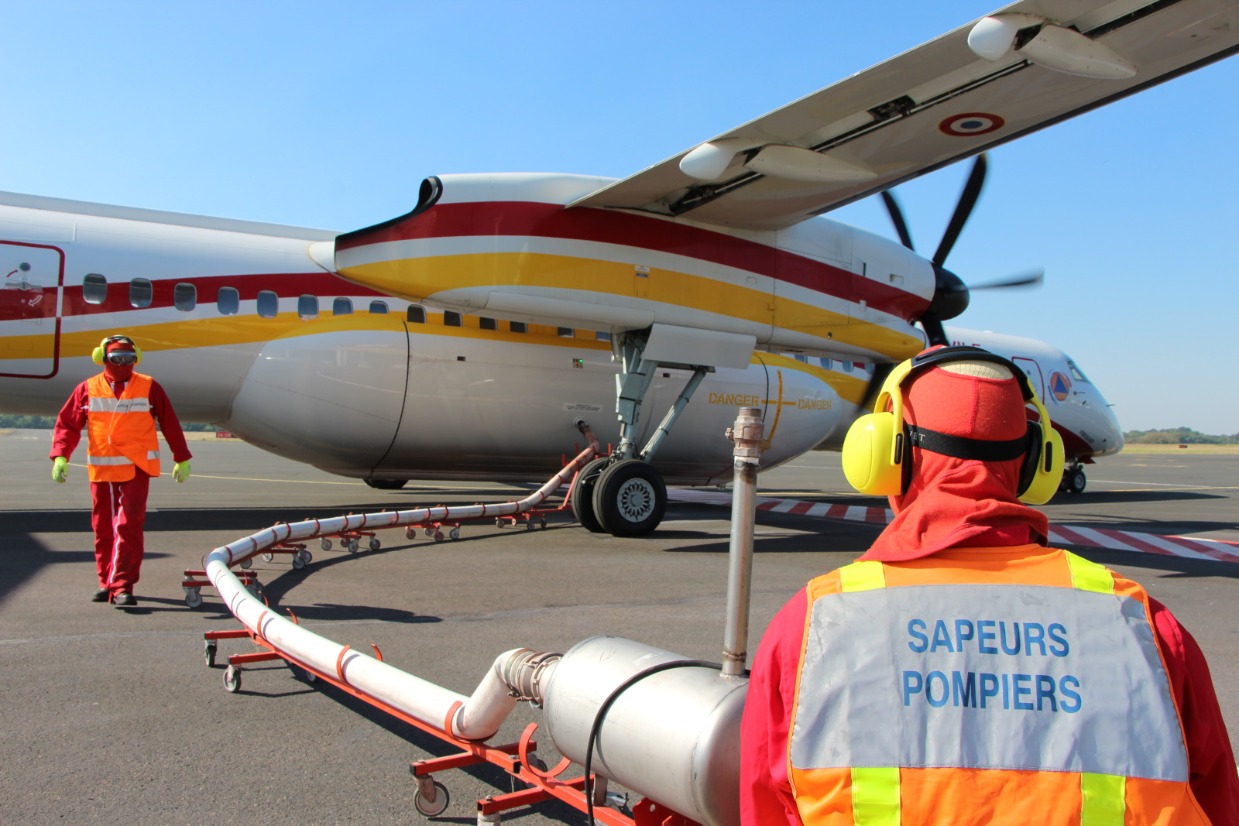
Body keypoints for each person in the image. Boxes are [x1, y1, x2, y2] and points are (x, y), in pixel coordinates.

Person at [740, 345, 1238, 824]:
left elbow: (767, 802)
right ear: (1033, 462)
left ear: (888, 453)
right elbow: (1217, 796)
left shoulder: (817, 622)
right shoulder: (1140, 623)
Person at [50, 334, 192, 608]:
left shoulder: (149, 387)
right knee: (103, 528)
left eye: (128, 358)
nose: (123, 363)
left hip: (136, 466)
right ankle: (107, 581)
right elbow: (67, 424)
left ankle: (123, 585)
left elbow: (169, 422)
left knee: (127, 527)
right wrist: (60, 456)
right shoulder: (87, 389)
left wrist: (181, 457)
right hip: (102, 469)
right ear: (102, 359)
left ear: (136, 358)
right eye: (117, 358)